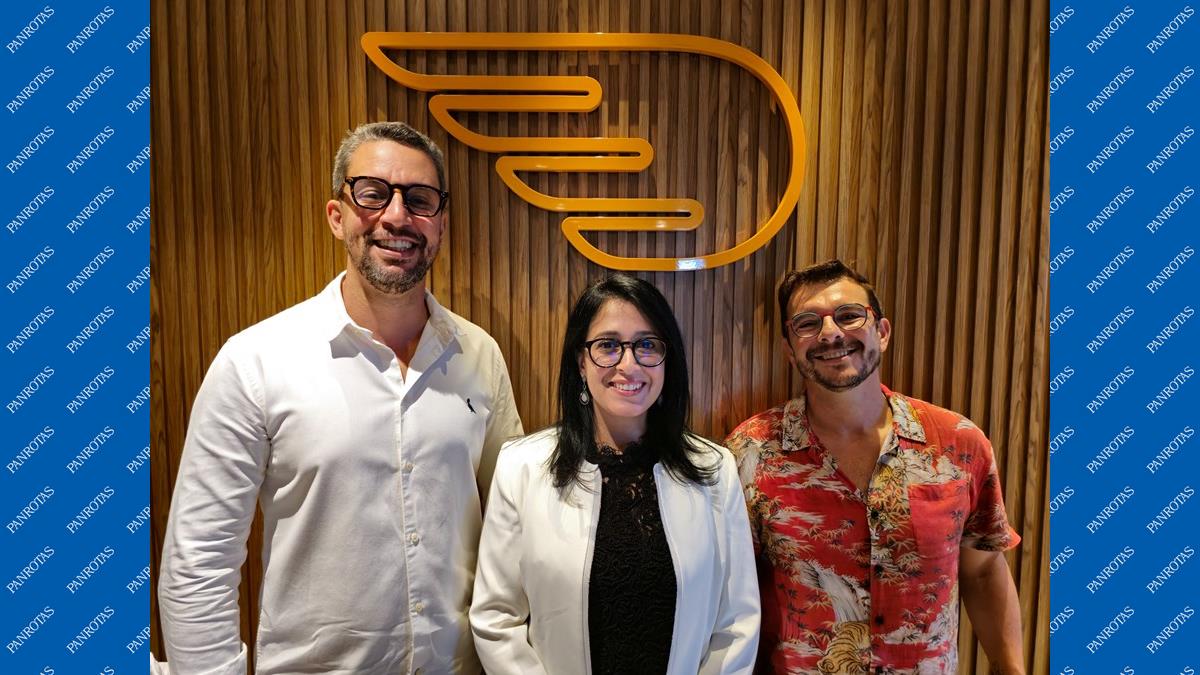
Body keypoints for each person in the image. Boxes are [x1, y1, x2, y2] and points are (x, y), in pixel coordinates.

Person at [158, 121, 523, 674]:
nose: (397, 216)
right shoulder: (256, 360)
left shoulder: (480, 355)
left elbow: (511, 520)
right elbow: (199, 561)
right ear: (337, 215)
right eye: (373, 194)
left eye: (420, 199)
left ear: (441, 224)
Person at [725, 260, 1024, 674]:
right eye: (807, 323)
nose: (830, 333)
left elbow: (984, 572)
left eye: (849, 316)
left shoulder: (958, 444)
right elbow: (728, 595)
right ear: (789, 350)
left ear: (881, 332)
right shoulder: (750, 452)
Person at [470, 274, 760, 675]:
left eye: (647, 345)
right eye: (608, 345)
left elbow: (737, 621)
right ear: (580, 361)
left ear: (667, 359)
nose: (629, 364)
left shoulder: (714, 469)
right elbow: (496, 617)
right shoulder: (521, 467)